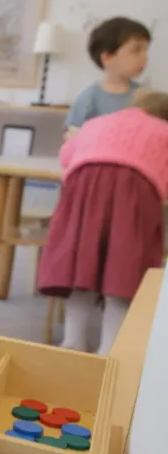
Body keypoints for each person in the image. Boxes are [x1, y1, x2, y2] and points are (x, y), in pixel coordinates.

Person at [39, 90, 168, 355]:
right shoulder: (164, 132)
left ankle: (72, 341)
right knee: (124, 273)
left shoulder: (98, 123)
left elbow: (66, 156)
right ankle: (110, 350)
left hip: (84, 185)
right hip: (135, 189)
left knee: (82, 269)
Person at [64, 17, 151, 140]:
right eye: (136, 50)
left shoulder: (146, 96)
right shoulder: (89, 97)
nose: (144, 57)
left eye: (145, 50)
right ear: (107, 58)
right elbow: (71, 135)